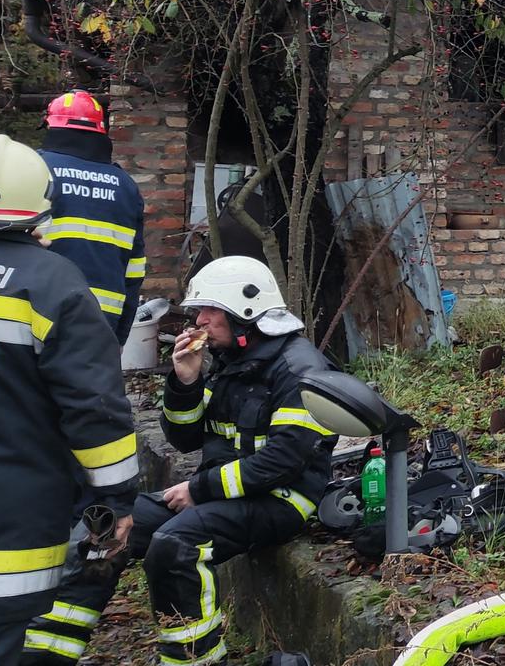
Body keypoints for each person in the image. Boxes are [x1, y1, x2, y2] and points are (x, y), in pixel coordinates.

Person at [24, 255, 335, 666]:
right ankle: (44, 654)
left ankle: (195, 660)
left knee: (174, 547)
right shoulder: (233, 361)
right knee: (101, 528)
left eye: (210, 310)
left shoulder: (300, 371)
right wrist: (186, 381)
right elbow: (185, 437)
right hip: (222, 493)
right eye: (198, 310)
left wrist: (197, 489)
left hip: (281, 499)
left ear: (246, 313)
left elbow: (282, 463)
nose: (199, 321)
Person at [0, 135, 137, 666]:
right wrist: (116, 502)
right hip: (5, 528)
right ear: (41, 208)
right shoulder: (53, 284)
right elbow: (94, 409)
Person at [37, 91, 147, 341]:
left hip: (38, 314)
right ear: (100, 131)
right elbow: (134, 270)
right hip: (101, 324)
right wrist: (119, 337)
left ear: (51, 126)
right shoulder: (126, 186)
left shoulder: (33, 169)